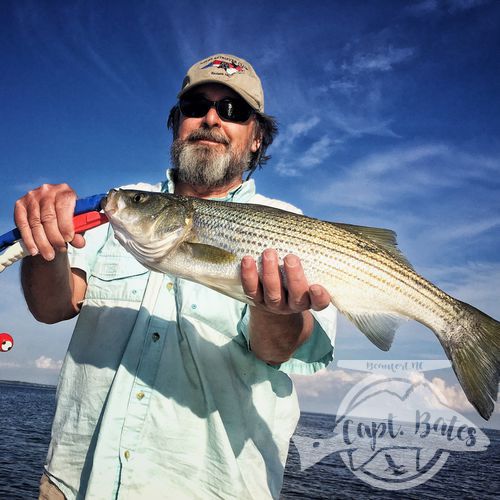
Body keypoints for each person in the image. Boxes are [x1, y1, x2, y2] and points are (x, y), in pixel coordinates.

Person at [16, 54, 337, 500]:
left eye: (233, 111)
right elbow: (51, 307)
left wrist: (277, 310)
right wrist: (44, 240)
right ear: (176, 123)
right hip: (74, 483)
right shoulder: (127, 207)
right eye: (195, 106)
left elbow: (275, 350)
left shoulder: (294, 230)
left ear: (257, 138)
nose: (210, 118)